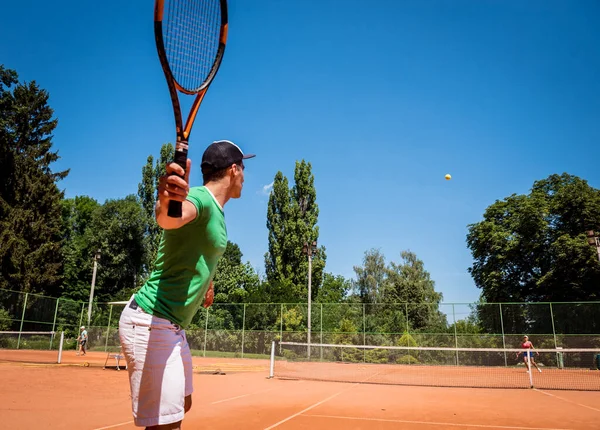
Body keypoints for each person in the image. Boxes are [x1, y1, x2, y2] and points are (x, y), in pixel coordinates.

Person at [119, 140, 255, 430]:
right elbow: (170, 218)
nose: (245, 175)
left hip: (170, 326)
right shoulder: (201, 199)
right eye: (243, 168)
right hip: (151, 321)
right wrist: (167, 200)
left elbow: (194, 248)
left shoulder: (216, 211)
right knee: (167, 424)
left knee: (183, 401)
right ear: (233, 170)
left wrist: (207, 282)